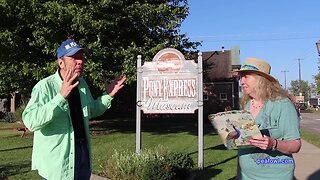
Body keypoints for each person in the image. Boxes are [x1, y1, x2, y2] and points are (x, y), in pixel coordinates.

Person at [22, 39, 126, 180]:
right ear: (61, 62)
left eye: (81, 57)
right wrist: (60, 97)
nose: (80, 61)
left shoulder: (81, 84)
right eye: (74, 57)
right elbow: (30, 121)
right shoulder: (44, 87)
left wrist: (108, 95)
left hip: (82, 152)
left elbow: (91, 110)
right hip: (57, 160)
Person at [232, 57, 301, 179]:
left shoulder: (283, 104)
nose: (241, 81)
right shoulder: (246, 105)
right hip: (246, 176)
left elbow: (296, 145)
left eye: (246, 76)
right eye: (240, 77)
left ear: (261, 80)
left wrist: (274, 144)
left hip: (275, 176)